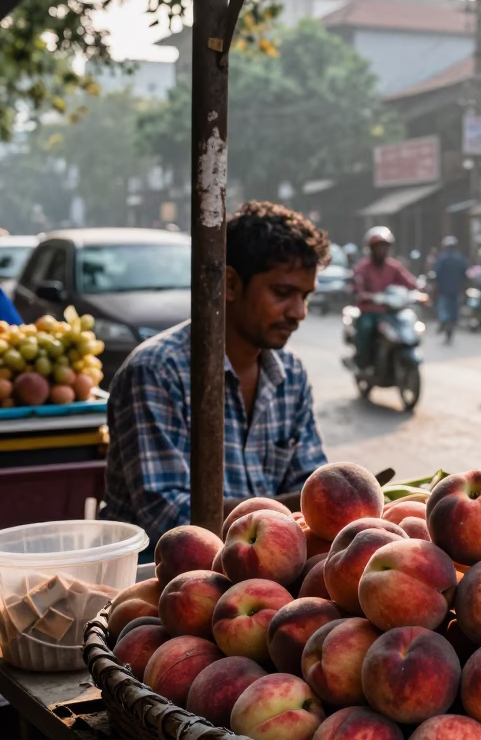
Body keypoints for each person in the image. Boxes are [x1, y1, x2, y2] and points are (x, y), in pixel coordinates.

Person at [102, 201, 331, 549]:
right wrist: (291, 513)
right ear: (232, 284)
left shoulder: (291, 375)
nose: (299, 312)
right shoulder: (156, 372)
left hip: (262, 569)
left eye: (305, 296)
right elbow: (171, 519)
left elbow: (313, 488)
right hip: (164, 575)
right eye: (283, 293)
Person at [351, 225, 419, 370]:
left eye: (385, 247)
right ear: (371, 248)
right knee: (366, 327)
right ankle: (361, 361)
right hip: (371, 311)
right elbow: (358, 288)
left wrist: (420, 290)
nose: (382, 250)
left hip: (391, 311)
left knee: (408, 323)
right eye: (379, 247)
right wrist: (366, 296)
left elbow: (409, 281)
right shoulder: (362, 268)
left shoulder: (394, 266)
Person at [433, 236, 468, 342]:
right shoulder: (460, 259)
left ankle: (444, 321)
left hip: (444, 289)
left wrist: (436, 286)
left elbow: (437, 274)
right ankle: (450, 325)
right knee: (454, 311)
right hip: (456, 290)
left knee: (444, 308)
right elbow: (464, 275)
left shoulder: (442, 259)